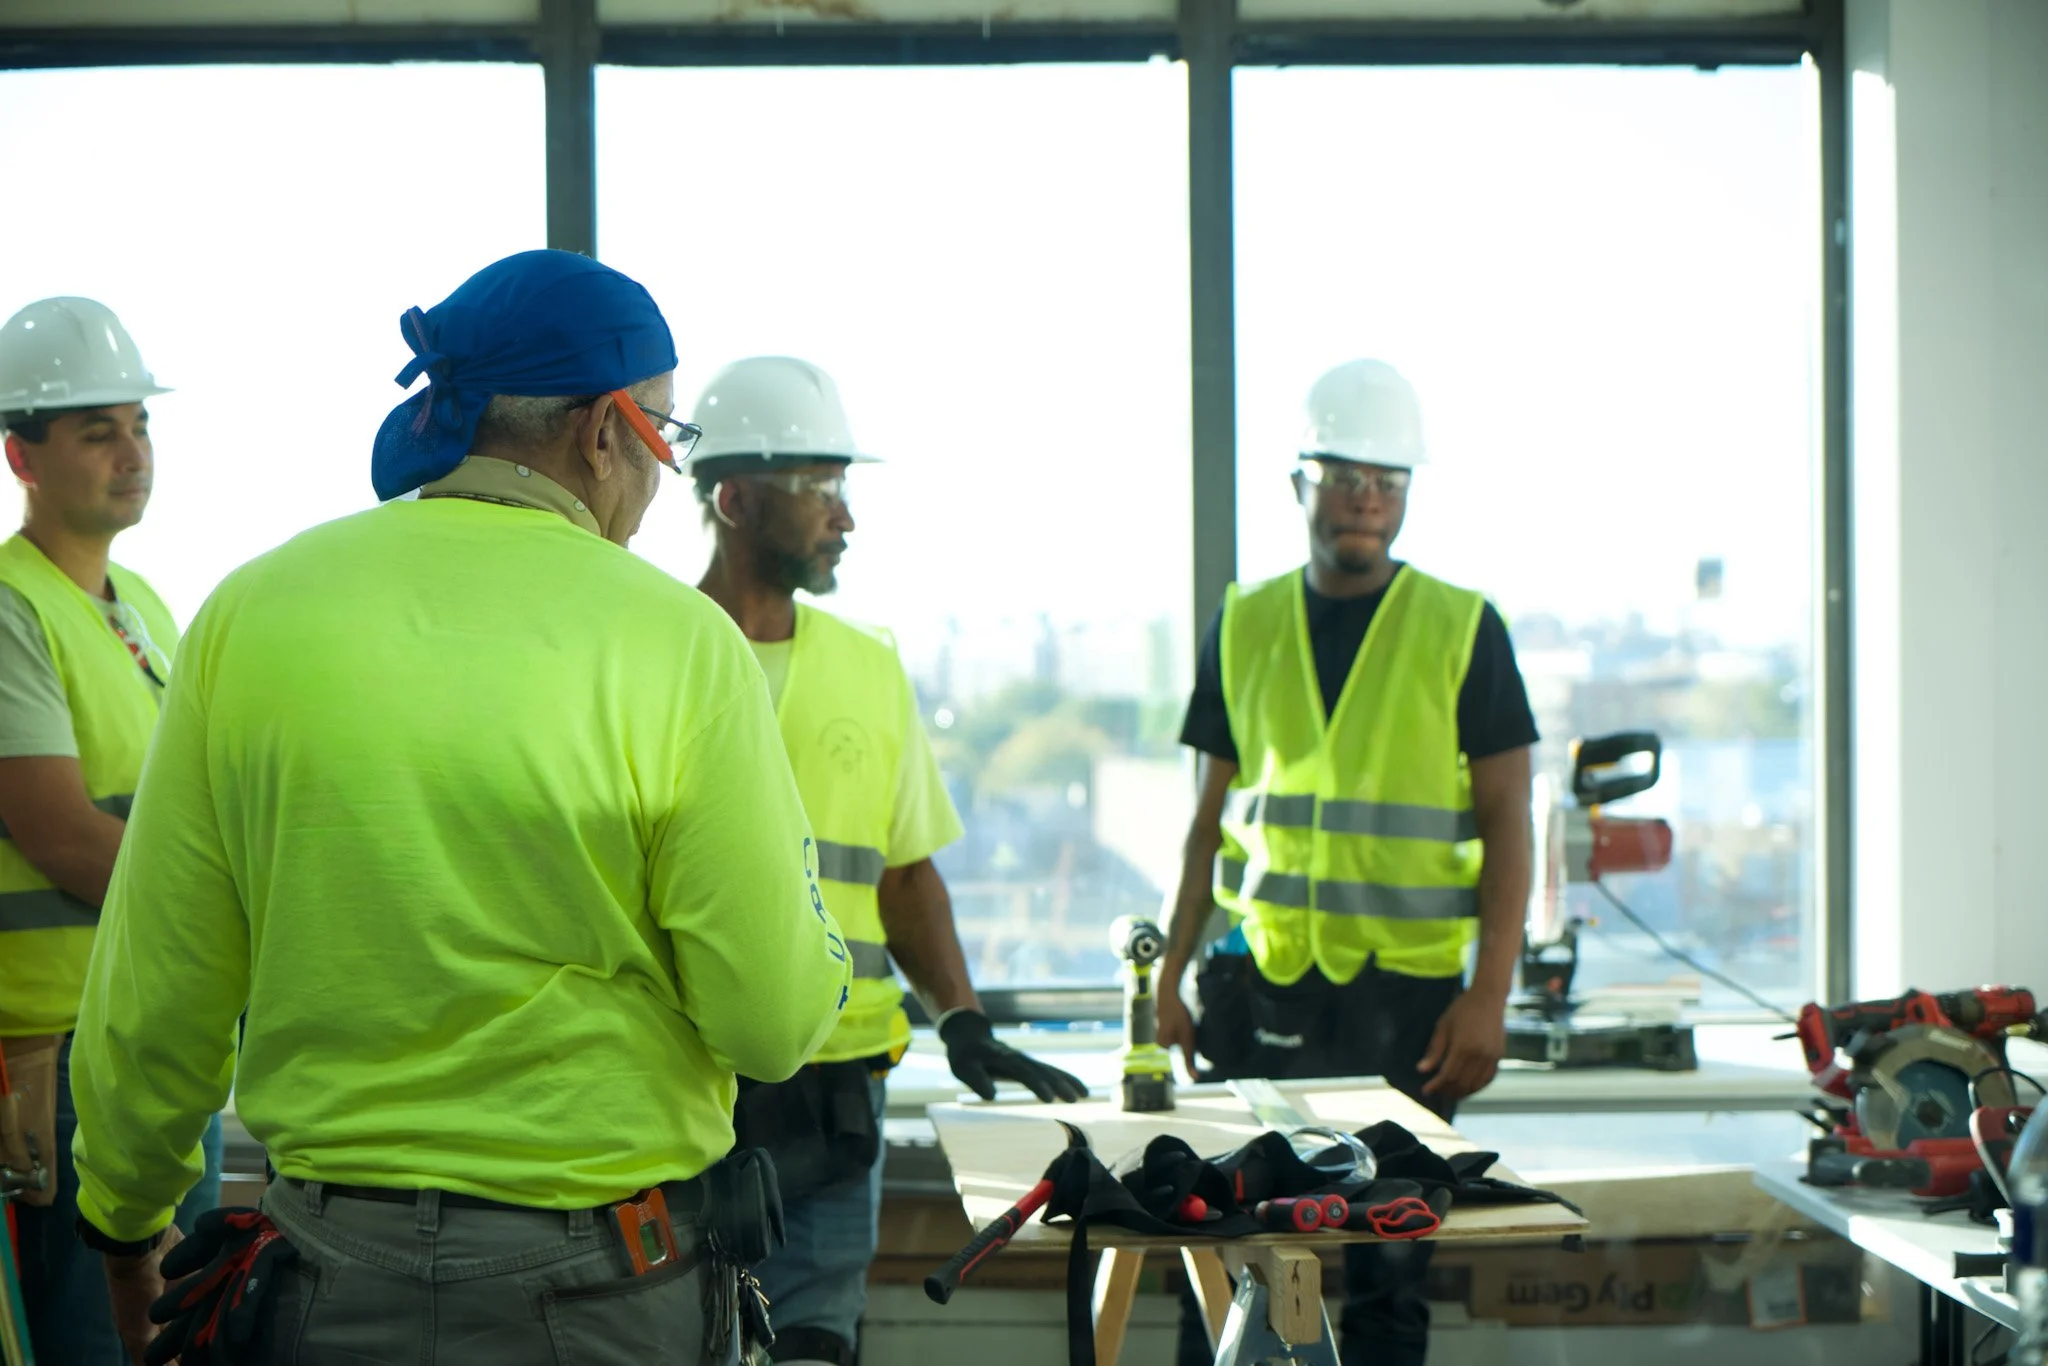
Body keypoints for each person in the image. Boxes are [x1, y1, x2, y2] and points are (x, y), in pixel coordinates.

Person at [65, 252, 853, 1365]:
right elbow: (769, 1023)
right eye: (663, 438)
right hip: (604, 1291)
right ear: (598, 433)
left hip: (325, 1282)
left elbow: (161, 981)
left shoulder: (253, 613)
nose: (655, 474)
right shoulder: (674, 641)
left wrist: (125, 1223)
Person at [687, 356, 1087, 1366]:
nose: (846, 519)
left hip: (836, 1095)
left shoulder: (866, 667)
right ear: (735, 498)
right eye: (821, 491)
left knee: (816, 1341)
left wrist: (959, 1017)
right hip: (686, 1087)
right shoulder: (659, 653)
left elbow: (903, 876)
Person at [1156, 359, 1537, 1366]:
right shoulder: (1242, 623)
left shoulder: (1462, 627)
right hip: (1257, 988)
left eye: (1387, 480)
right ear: (1299, 484)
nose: (1366, 497)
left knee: (1386, 1280)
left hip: (1407, 1006)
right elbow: (1206, 821)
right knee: (1229, 1260)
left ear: (1405, 493)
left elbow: (1509, 822)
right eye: (1343, 476)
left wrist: (1489, 994)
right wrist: (1166, 974)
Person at [0, 296, 223, 1365]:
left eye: (140, 425)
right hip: (62, 1055)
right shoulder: (9, 608)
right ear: (21, 455)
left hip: (156, 1034)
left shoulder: (140, 605)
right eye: (98, 430)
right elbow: (62, 835)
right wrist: (233, 908)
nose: (133, 451)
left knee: (177, 1336)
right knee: (96, 1341)